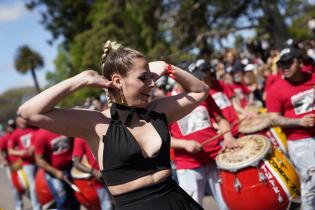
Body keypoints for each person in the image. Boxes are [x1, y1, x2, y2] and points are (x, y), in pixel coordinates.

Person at [17, 40, 209, 210]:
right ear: (117, 80)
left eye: (151, 77)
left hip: (179, 202)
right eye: (144, 78)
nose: (152, 84)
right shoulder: (96, 123)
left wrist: (167, 68)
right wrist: (81, 80)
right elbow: (28, 112)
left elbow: (201, 90)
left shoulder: (157, 110)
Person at [169, 60, 239, 210]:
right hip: (188, 165)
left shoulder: (204, 95)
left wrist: (228, 136)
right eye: (193, 77)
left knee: (227, 204)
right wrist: (184, 144)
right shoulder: (167, 103)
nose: (199, 81)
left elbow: (220, 119)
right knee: (192, 207)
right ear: (179, 78)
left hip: (215, 158)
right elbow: (161, 138)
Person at [266, 46, 315, 210]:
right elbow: (273, 118)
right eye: (282, 64)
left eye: (289, 63)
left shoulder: (312, 78)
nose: (284, 68)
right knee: (313, 180)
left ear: (300, 62)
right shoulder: (276, 89)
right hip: (300, 141)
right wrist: (299, 122)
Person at [33, 128, 80, 210]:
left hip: (71, 168)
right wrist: (55, 172)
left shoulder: (63, 127)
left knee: (75, 198)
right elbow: (38, 159)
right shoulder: (42, 134)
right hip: (54, 172)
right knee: (62, 199)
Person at [7, 116, 41, 210]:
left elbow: (41, 140)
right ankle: (36, 207)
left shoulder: (34, 129)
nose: (22, 121)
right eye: (19, 119)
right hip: (27, 164)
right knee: (32, 186)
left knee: (41, 184)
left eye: (23, 118)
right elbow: (10, 151)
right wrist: (21, 152)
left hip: (40, 161)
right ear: (17, 121)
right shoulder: (15, 133)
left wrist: (34, 147)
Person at [72, 137, 112, 210]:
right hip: (100, 180)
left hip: (113, 174)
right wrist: (94, 172)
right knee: (107, 205)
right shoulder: (80, 138)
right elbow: (76, 163)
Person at [0, 119, 24, 210]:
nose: (12, 128)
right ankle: (19, 206)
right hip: (12, 165)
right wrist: (3, 161)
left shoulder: (19, 133)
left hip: (22, 163)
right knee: (15, 186)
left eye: (14, 126)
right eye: (11, 127)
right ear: (8, 127)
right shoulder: (5, 138)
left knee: (26, 184)